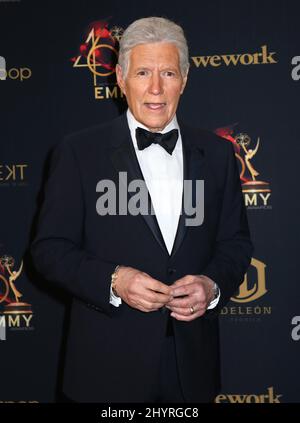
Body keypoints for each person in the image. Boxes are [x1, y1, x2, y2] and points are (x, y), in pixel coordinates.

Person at [31, 16, 253, 403]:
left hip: (191, 370)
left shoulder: (218, 154)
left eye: (168, 72)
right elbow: (49, 250)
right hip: (105, 368)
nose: (155, 88)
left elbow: (235, 244)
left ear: (184, 78)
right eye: (143, 73)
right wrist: (114, 280)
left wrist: (212, 286)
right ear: (120, 78)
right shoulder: (78, 152)